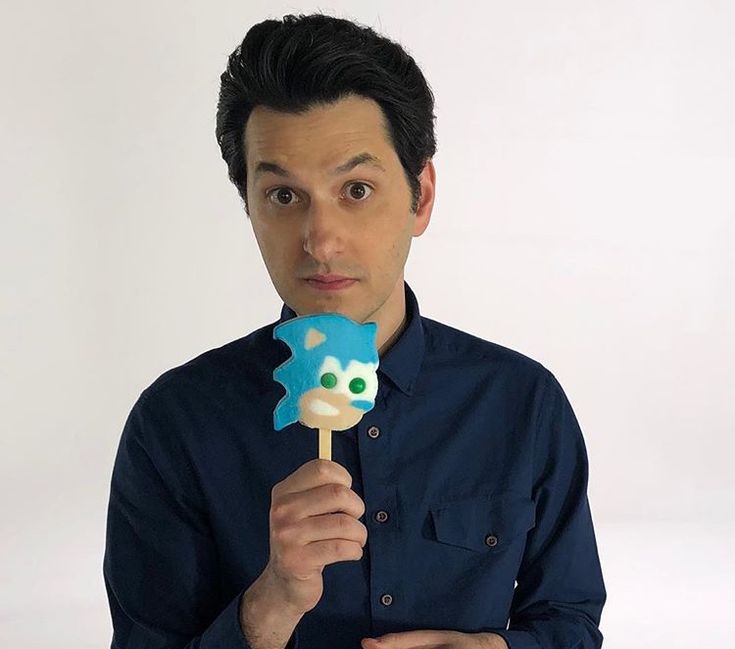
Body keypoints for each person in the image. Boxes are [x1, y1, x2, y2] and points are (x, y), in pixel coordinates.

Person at [103, 13, 607, 649]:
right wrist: (270, 604)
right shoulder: (175, 424)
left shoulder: (521, 402)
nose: (321, 240)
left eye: (357, 189)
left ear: (420, 196)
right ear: (250, 209)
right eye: (284, 196)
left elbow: (571, 623)